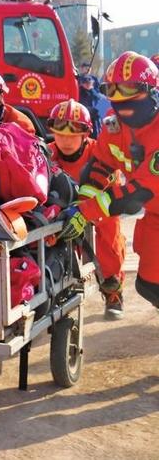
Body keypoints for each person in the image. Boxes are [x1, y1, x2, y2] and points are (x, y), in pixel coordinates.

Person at [59, 51, 159, 311]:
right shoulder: (115, 127)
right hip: (155, 214)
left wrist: (86, 211)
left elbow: (139, 193)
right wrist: (81, 203)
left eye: (128, 89)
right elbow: (99, 166)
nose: (120, 97)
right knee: (149, 285)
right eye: (112, 90)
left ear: (151, 91)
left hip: (149, 197)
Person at [46, 99, 126, 319]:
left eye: (72, 136)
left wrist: (84, 210)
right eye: (61, 135)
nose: (66, 141)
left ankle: (113, 290)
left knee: (109, 240)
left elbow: (111, 189)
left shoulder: (100, 152)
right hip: (62, 211)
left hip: (99, 209)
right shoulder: (47, 153)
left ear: (85, 135)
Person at [77, 73, 110, 138]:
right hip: (86, 120)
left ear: (92, 83)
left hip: (96, 121)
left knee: (97, 135)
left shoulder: (96, 93)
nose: (87, 84)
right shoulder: (80, 93)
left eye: (89, 82)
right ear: (82, 83)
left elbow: (102, 105)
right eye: (85, 83)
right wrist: (90, 110)